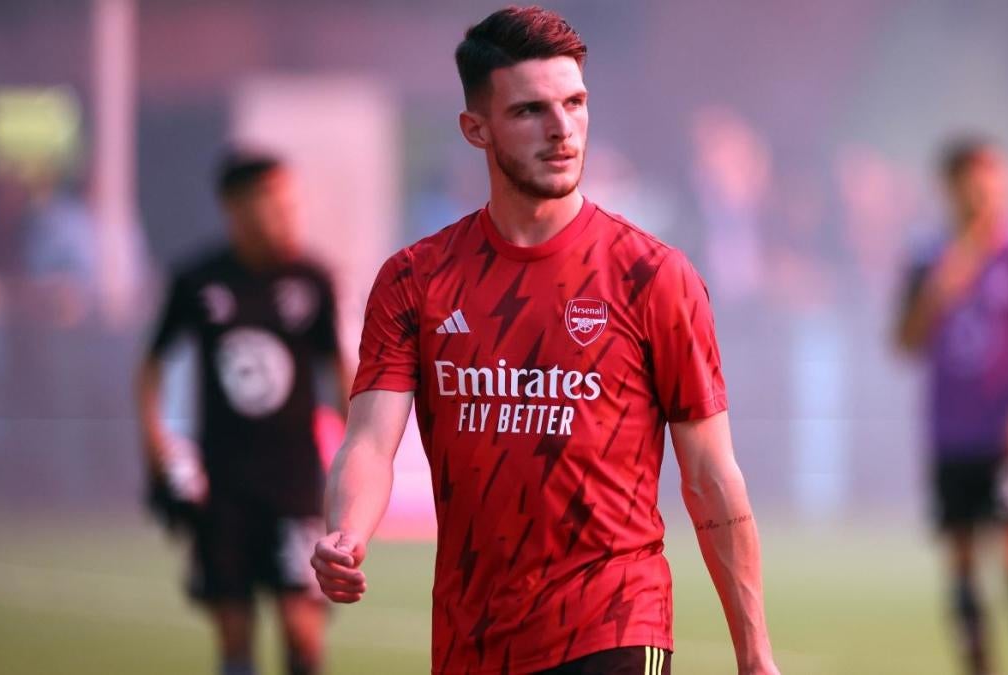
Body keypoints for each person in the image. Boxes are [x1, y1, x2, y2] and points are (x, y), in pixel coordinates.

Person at [311, 7, 779, 674]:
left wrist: (755, 652)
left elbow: (710, 476)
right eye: (531, 110)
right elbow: (369, 440)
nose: (562, 129)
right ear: (477, 129)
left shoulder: (654, 277)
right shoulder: (416, 279)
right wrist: (347, 531)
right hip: (471, 638)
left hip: (615, 621)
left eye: (575, 103)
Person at [137, 150, 348, 675]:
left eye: (289, 201)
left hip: (295, 480)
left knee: (303, 629)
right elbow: (151, 368)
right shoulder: (198, 281)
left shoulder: (312, 279)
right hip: (223, 482)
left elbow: (338, 370)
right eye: (273, 202)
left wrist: (352, 448)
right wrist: (158, 446)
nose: (286, 214)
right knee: (234, 636)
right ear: (236, 206)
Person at [895, 138, 1008, 675]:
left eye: (995, 182)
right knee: (962, 564)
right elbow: (905, 342)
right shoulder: (929, 256)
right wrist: (939, 289)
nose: (986, 197)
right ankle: (978, 666)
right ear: (950, 190)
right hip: (952, 433)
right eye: (973, 186)